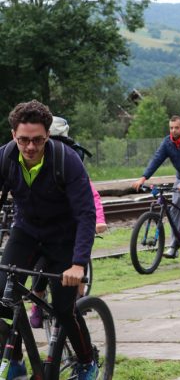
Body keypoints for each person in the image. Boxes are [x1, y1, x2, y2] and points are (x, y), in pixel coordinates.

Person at [0, 100, 98, 379]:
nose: (30, 147)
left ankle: (86, 361)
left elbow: (86, 214)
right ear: (13, 136)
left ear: (48, 136)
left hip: (63, 238)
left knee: (64, 309)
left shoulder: (67, 160)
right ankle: (15, 359)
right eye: (23, 140)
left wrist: (78, 264)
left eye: (38, 140)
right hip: (27, 233)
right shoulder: (4, 159)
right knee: (1, 300)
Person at [29, 116, 108, 329]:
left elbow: (92, 198)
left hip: (73, 228)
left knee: (76, 267)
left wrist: (99, 221)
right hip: (46, 228)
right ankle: (37, 303)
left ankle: (78, 302)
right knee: (40, 264)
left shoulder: (69, 162)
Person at [132, 115, 180, 259]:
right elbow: (157, 159)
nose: (173, 131)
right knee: (174, 210)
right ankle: (174, 246)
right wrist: (143, 178)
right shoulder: (168, 142)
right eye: (171, 128)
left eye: (176, 128)